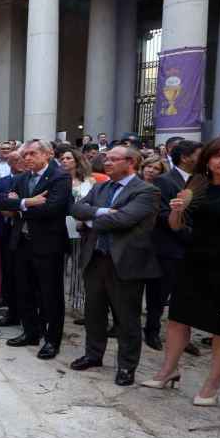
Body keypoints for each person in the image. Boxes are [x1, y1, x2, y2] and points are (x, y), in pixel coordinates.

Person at [143, 137, 220, 406]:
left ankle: (213, 384)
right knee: (178, 319)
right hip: (193, 262)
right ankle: (168, 371)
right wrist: (177, 211)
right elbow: (176, 226)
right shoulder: (198, 185)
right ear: (207, 162)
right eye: (218, 156)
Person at [70, 147, 161, 386]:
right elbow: (76, 208)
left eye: (112, 159)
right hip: (96, 258)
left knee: (127, 318)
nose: (106, 162)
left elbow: (123, 219)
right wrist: (100, 212)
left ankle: (127, 366)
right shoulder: (102, 187)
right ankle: (93, 354)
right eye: (106, 158)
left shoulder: (146, 191)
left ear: (130, 162)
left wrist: (90, 220)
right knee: (94, 312)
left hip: (125, 263)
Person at [0, 139, 72, 360]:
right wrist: (27, 203)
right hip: (22, 242)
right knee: (24, 290)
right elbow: (0, 200)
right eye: (25, 155)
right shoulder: (21, 178)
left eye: (32, 154)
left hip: (48, 245)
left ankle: (52, 340)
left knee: (50, 295)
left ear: (47, 154)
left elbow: (52, 208)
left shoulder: (60, 177)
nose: (27, 158)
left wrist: (18, 205)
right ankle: (30, 332)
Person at [146, 140, 203, 353]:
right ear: (186, 157)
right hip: (168, 248)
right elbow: (160, 214)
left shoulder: (202, 181)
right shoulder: (164, 181)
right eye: (200, 154)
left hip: (194, 251)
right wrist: (188, 234)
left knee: (186, 296)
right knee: (158, 295)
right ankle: (151, 331)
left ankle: (182, 338)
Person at [57, 147, 95, 324]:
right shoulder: (58, 180)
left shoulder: (89, 182)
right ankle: (59, 302)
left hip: (80, 227)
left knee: (79, 267)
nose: (64, 161)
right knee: (60, 266)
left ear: (77, 161)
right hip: (60, 227)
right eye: (62, 158)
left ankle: (78, 304)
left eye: (68, 158)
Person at [0, 151, 24, 321]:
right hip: (4, 230)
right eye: (16, 160)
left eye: (21, 159)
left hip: (21, 232)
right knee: (6, 267)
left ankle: (18, 307)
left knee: (19, 271)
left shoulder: (28, 180)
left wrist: (13, 202)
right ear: (9, 163)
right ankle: (5, 297)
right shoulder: (3, 181)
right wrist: (8, 198)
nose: (21, 162)